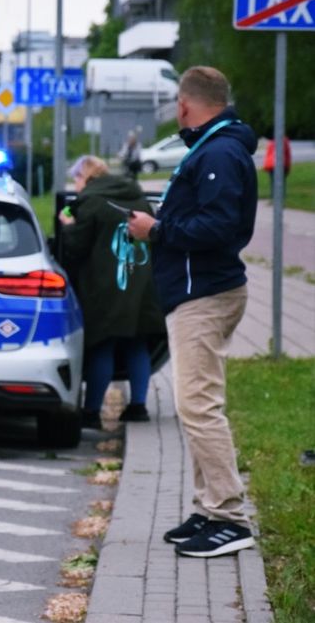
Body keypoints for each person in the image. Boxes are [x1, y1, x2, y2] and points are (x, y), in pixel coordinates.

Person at [126, 65, 258, 559]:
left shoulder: (219, 152)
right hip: (199, 289)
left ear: (185, 104)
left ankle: (229, 516)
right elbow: (205, 217)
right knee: (197, 404)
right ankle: (207, 507)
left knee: (198, 407)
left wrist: (156, 231)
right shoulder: (217, 147)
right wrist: (160, 220)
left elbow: (219, 226)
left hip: (204, 293)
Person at [58, 155, 164, 430]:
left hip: (103, 286)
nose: (76, 185)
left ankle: (92, 412)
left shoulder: (90, 203)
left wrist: (67, 225)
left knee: (102, 345)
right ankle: (138, 407)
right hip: (140, 283)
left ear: (87, 177)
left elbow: (76, 249)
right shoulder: (138, 198)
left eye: (77, 179)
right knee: (137, 343)